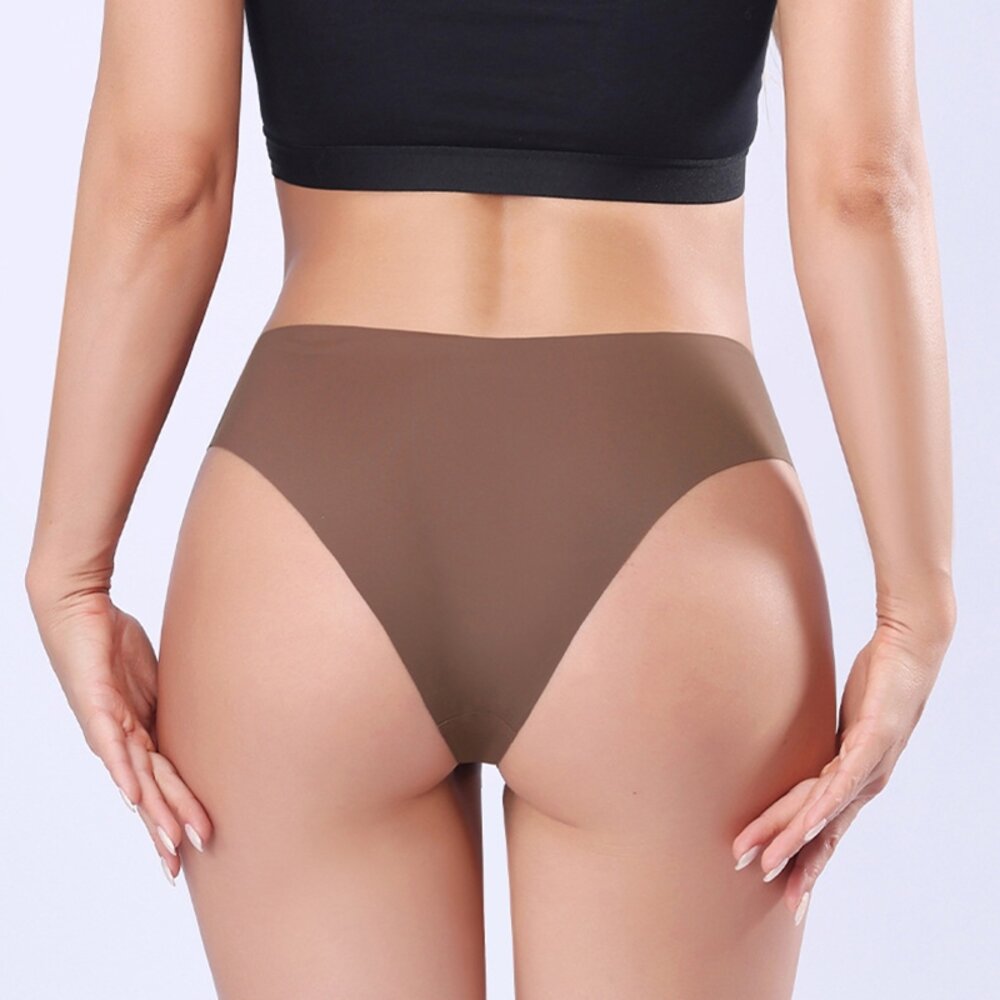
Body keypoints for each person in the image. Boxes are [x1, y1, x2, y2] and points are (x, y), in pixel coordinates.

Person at [25, 1, 956, 997]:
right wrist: (915, 602)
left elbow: (164, 175)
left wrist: (72, 565)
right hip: (672, 518)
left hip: (307, 526)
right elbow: (863, 186)